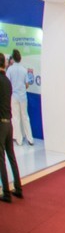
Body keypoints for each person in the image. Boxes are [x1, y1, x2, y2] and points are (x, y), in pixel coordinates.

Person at [0, 53, 23, 202]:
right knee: (11, 156)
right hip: (9, 123)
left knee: (1, 159)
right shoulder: (7, 81)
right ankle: (18, 188)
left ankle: (6, 193)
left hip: (1, 124)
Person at [7, 50, 32, 146]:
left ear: (13, 58)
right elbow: (27, 85)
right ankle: (30, 139)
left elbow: (8, 83)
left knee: (16, 118)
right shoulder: (24, 69)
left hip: (14, 96)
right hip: (23, 96)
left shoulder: (10, 69)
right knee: (25, 117)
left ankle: (19, 140)